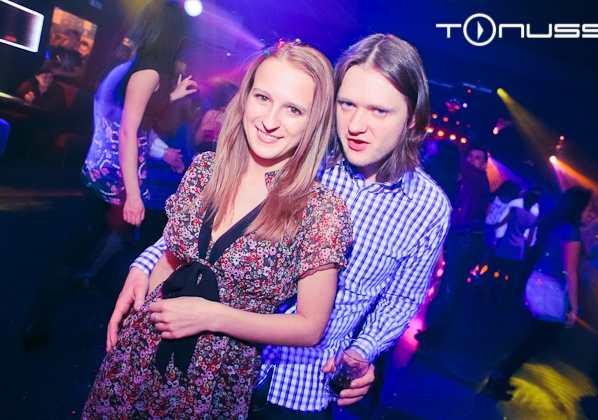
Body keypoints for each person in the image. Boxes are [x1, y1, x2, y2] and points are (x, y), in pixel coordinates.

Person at [121, 33, 451, 417]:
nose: (356, 125)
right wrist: (145, 264)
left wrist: (362, 352)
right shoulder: (298, 153)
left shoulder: (428, 208)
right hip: (216, 362)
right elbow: (212, 222)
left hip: (303, 387)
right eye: (347, 104)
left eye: (379, 111)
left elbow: (401, 299)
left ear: (413, 119)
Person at [83, 40, 353, 419]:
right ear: (245, 98)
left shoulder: (320, 210)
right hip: (142, 347)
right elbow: (173, 259)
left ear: (315, 121)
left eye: (293, 109)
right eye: (262, 97)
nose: (270, 120)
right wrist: (138, 314)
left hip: (215, 378)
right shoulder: (205, 170)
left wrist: (212, 316)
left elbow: (310, 327)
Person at [21, 0, 197, 351]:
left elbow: (131, 118)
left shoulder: (128, 65)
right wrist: (132, 194)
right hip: (113, 182)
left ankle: (47, 318)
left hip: (101, 174)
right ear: (172, 34)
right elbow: (129, 131)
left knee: (90, 248)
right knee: (81, 251)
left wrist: (171, 97)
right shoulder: (148, 71)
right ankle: (37, 326)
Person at [481, 186, 593, 401]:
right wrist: (574, 306)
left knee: (537, 336)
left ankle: (502, 373)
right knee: (544, 337)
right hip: (549, 288)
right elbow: (570, 272)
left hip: (538, 281)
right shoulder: (571, 232)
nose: (591, 212)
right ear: (578, 208)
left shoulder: (555, 222)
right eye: (589, 208)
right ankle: (500, 374)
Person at [421, 143, 490, 342]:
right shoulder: (466, 180)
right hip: (459, 237)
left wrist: (442, 147)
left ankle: (438, 333)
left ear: (485, 165)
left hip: (466, 239)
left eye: (477, 158)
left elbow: (455, 159)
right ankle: (434, 328)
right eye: (471, 156)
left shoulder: (479, 178)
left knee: (452, 289)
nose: (472, 160)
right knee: (447, 287)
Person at [490, 190, 540, 307]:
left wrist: (490, 226)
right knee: (512, 278)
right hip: (518, 249)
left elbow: (502, 223)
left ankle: (492, 296)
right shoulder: (534, 218)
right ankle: (504, 303)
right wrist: (527, 250)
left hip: (505, 244)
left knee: (497, 271)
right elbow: (530, 239)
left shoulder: (515, 210)